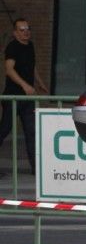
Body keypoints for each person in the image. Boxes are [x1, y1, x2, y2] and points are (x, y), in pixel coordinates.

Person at [0, 18, 48, 175]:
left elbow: (32, 66)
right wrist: (24, 85)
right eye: (22, 29)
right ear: (15, 33)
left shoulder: (30, 46)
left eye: (27, 28)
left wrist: (39, 82)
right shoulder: (12, 47)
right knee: (4, 130)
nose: (26, 32)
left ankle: (36, 169)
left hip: (27, 100)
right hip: (13, 97)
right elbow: (9, 69)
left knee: (31, 132)